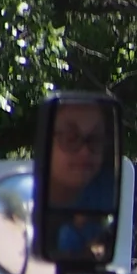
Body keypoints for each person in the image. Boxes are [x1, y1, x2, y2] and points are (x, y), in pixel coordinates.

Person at [45, 101, 118, 260]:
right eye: (71, 138)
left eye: (95, 139)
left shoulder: (111, 187)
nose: (85, 150)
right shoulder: (28, 192)